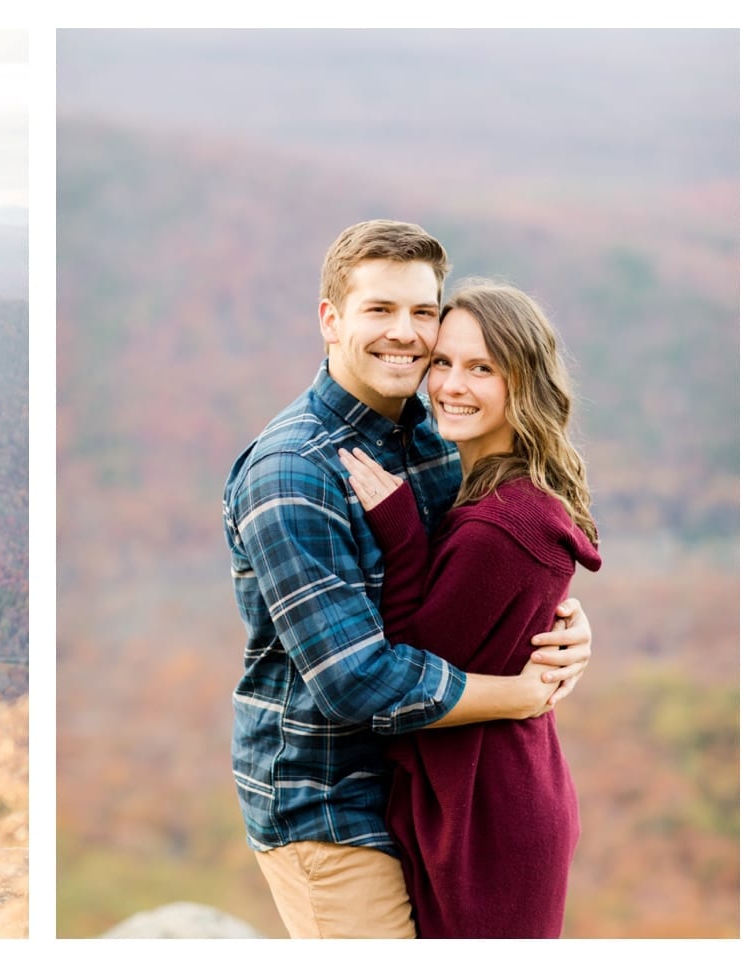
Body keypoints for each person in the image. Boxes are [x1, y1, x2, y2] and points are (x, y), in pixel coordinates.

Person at [221, 220, 594, 938]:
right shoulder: (293, 471)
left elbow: (474, 581)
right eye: (379, 310)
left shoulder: (429, 437)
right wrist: (519, 694)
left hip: (422, 792)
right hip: (328, 804)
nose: (406, 333)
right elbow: (356, 679)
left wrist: (561, 625)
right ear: (330, 320)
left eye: (422, 311)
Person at [338, 281, 600, 937]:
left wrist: (399, 533)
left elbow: (410, 675)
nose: (451, 385)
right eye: (444, 362)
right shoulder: (496, 492)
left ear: (525, 382)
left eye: (482, 368)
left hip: (491, 820)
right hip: (492, 794)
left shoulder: (500, 526)